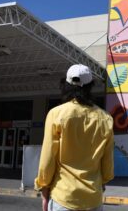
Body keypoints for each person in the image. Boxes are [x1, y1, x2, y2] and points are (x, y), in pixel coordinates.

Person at [34, 64, 114, 211]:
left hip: (64, 196)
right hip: (93, 198)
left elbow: (48, 158)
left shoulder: (56, 114)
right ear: (90, 86)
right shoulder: (105, 118)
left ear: (66, 85)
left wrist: (43, 187)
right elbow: (107, 162)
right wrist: (102, 181)